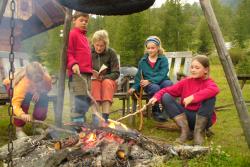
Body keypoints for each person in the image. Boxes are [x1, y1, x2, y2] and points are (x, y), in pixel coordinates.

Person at [148, 55, 220, 145]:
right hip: (187, 117)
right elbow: (167, 90)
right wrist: (156, 96)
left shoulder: (209, 82)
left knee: (210, 97)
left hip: (204, 119)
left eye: (197, 68)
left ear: (206, 70)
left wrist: (193, 97)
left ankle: (198, 133)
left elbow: (215, 89)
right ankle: (185, 131)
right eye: (192, 67)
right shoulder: (186, 81)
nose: (193, 70)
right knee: (166, 96)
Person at [128, 36, 172, 122]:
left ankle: (166, 110)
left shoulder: (163, 59)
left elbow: (163, 73)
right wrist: (134, 87)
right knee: (155, 88)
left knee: (168, 84)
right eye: (148, 48)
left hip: (161, 80)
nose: (150, 50)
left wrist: (150, 80)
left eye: (153, 48)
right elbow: (138, 76)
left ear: (158, 48)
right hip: (150, 85)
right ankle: (156, 109)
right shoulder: (143, 61)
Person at [3, 62, 52, 138]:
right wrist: (22, 114)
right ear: (30, 78)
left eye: (40, 81)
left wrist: (39, 92)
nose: (39, 84)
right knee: (24, 100)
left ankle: (37, 125)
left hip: (31, 88)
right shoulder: (23, 83)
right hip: (12, 85)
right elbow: (15, 104)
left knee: (43, 98)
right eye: (36, 82)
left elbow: (47, 88)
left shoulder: (46, 78)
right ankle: (19, 130)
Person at [67, 11, 92, 125]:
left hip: (87, 73)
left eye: (86, 21)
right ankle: (77, 126)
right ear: (74, 20)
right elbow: (68, 52)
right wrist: (73, 63)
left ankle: (81, 121)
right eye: (81, 20)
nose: (84, 23)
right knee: (79, 99)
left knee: (86, 99)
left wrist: (92, 70)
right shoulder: (72, 34)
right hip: (77, 73)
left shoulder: (85, 37)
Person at [91, 30, 120, 124]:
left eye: (101, 46)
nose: (99, 48)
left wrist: (104, 77)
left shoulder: (111, 53)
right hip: (93, 81)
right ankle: (95, 117)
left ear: (106, 44)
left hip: (108, 81)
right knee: (95, 83)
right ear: (93, 43)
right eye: (97, 45)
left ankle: (105, 118)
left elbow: (116, 73)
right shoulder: (89, 52)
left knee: (106, 83)